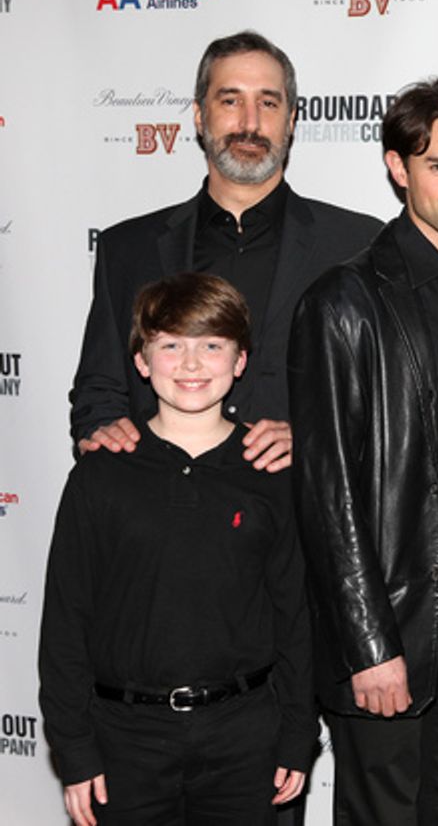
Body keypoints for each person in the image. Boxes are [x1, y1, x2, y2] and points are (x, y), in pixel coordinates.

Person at [289, 77, 438, 825]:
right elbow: (327, 493)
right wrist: (369, 643)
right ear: (398, 167)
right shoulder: (345, 301)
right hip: (392, 635)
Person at [39, 273, 313, 826]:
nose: (191, 365)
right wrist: (75, 749)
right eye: (171, 345)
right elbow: (66, 622)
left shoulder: (272, 471)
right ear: (141, 361)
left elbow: (294, 615)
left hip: (244, 737)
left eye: (212, 345)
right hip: (125, 741)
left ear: (240, 362)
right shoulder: (102, 474)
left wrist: (296, 734)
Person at [71, 30, 381, 472]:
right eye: (230, 101)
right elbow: (99, 389)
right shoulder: (128, 248)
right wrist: (102, 429)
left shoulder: (358, 245)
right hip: (166, 512)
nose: (250, 123)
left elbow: (389, 394)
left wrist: (316, 440)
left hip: (299, 521)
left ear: (291, 120)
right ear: (200, 117)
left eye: (269, 103)